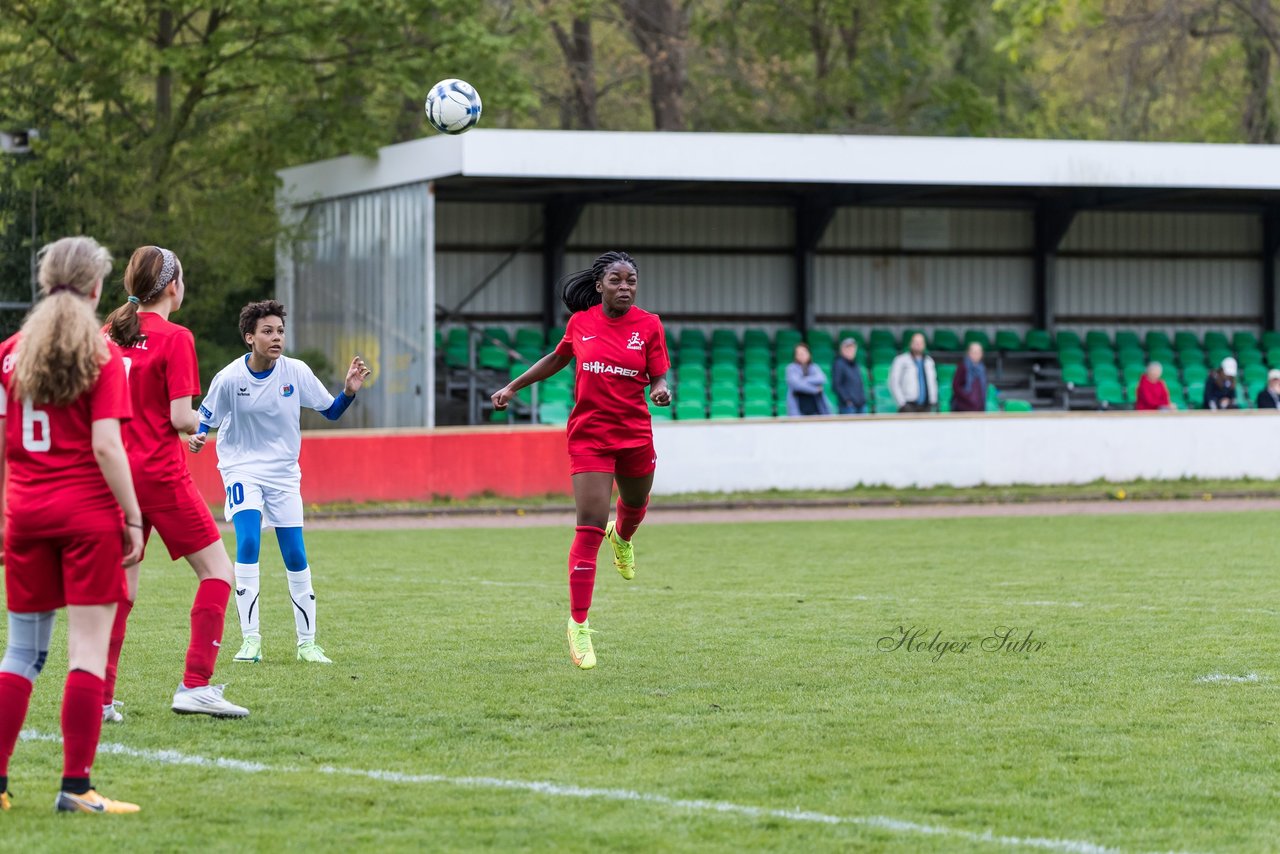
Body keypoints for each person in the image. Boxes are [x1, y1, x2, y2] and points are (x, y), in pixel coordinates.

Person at [0, 236, 143, 814]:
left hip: (25, 514)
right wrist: (132, 515)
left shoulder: (9, 351)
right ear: (96, 287)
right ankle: (76, 788)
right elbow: (107, 446)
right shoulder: (103, 355)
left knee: (20, 654)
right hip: (86, 518)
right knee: (85, 651)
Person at [491, 251, 670, 670]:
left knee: (636, 506)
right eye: (616, 280)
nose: (625, 287)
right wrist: (512, 386)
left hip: (634, 433)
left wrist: (660, 389)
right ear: (600, 284)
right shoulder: (581, 324)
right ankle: (579, 625)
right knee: (588, 527)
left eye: (631, 281)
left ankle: (623, 538)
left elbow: (659, 373)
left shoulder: (649, 325)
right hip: (590, 437)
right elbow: (556, 358)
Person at [102, 246, 248, 719]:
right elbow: (180, 416)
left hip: (114, 476)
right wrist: (205, 430)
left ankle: (99, 698)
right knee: (219, 573)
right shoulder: (177, 337)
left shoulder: (109, 330)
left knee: (120, 591)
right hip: (159, 476)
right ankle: (195, 685)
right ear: (172, 286)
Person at [190, 300, 371, 665]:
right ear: (249, 338)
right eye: (267, 331)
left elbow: (332, 411)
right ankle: (250, 642)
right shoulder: (229, 378)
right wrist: (198, 437)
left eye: (280, 331)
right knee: (249, 541)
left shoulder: (296, 372)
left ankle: (307, 644)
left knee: (295, 554)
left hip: (284, 475)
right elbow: (205, 419)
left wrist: (349, 390)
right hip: (241, 469)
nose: (276, 338)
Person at [889, 333, 938, 413]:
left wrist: (933, 400)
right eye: (916, 342)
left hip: (926, 406)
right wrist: (902, 403)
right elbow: (894, 383)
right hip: (908, 405)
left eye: (921, 342)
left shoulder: (929, 361)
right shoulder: (901, 360)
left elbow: (933, 382)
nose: (918, 344)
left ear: (924, 345)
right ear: (910, 344)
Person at [785, 343, 831, 416]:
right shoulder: (791, 368)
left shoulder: (815, 367)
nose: (802, 355)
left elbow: (822, 378)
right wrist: (815, 389)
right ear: (795, 356)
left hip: (816, 410)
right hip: (799, 411)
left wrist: (802, 380)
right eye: (799, 353)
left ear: (809, 354)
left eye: (804, 352)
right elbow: (797, 385)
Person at [831, 338, 866, 414]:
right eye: (848, 348)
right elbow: (836, 385)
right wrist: (847, 400)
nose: (851, 351)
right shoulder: (838, 364)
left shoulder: (856, 364)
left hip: (860, 404)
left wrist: (863, 399)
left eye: (853, 348)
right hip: (848, 407)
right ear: (842, 350)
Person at [950, 342, 988, 412]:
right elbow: (955, 386)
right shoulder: (963, 367)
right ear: (969, 353)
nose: (976, 354)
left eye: (978, 352)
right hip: (963, 408)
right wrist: (968, 398)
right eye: (974, 352)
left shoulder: (982, 369)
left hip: (978, 408)